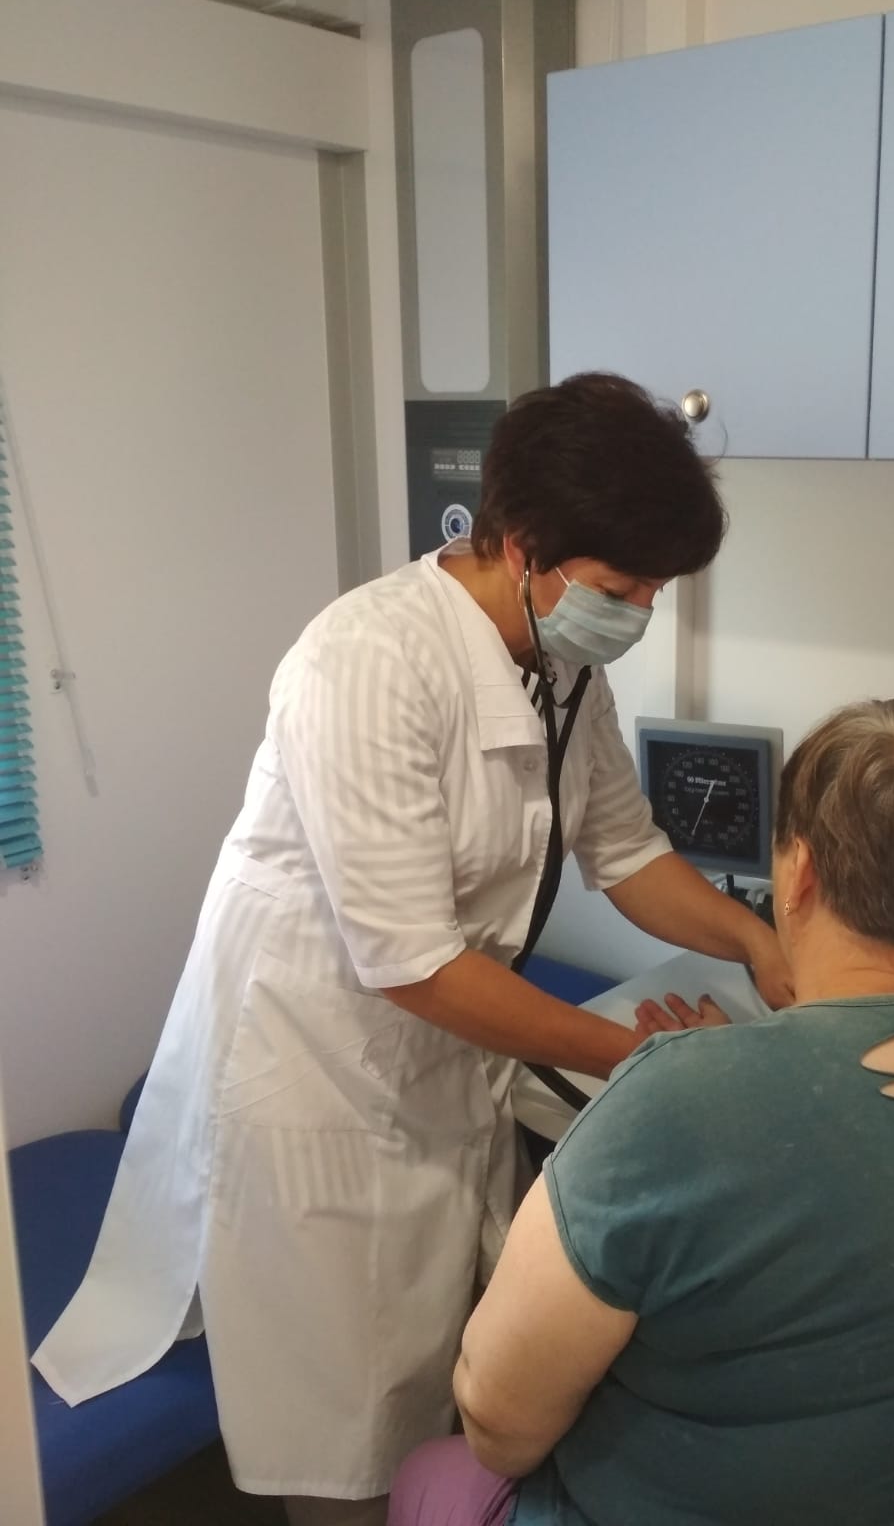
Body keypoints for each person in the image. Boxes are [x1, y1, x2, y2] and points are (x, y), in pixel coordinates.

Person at [33, 373, 793, 1526]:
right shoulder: (364, 661)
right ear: (523, 545)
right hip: (318, 1065)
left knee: (430, 1363)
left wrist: (753, 939)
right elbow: (413, 964)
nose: (640, 610)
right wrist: (632, 1058)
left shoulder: (565, 663)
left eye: (656, 588)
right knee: (341, 1414)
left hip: (435, 1050)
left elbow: (624, 849)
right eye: (621, 586)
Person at [389, 699, 894, 1526]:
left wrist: (690, 1079)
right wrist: (731, 1067)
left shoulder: (677, 1107)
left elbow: (497, 1421)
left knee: (433, 1472)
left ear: (800, 874)